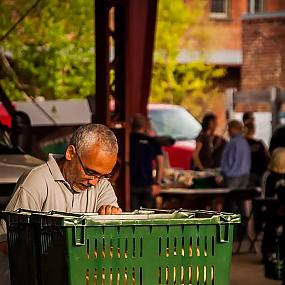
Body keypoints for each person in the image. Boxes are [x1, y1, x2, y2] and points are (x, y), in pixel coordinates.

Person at [0, 123, 121, 284]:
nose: (94, 182)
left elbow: (113, 245)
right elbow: (5, 241)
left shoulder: (102, 186)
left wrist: (111, 217)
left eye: (103, 175)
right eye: (90, 172)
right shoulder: (36, 180)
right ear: (71, 153)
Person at [130, 114, 163, 210]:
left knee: (131, 215)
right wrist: (157, 183)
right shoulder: (152, 142)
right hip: (148, 184)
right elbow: (160, 164)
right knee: (149, 214)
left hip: (130, 184)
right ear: (145, 126)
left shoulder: (126, 140)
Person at [220, 120, 251, 188]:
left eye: (229, 129)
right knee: (240, 197)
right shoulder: (244, 142)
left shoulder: (232, 143)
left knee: (231, 198)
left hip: (232, 178)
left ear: (233, 129)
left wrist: (222, 173)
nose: (228, 131)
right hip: (245, 177)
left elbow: (228, 161)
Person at [244, 121, 270, 186]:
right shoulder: (260, 143)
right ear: (254, 130)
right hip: (260, 174)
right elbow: (268, 156)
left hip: (246, 175)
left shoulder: (241, 144)